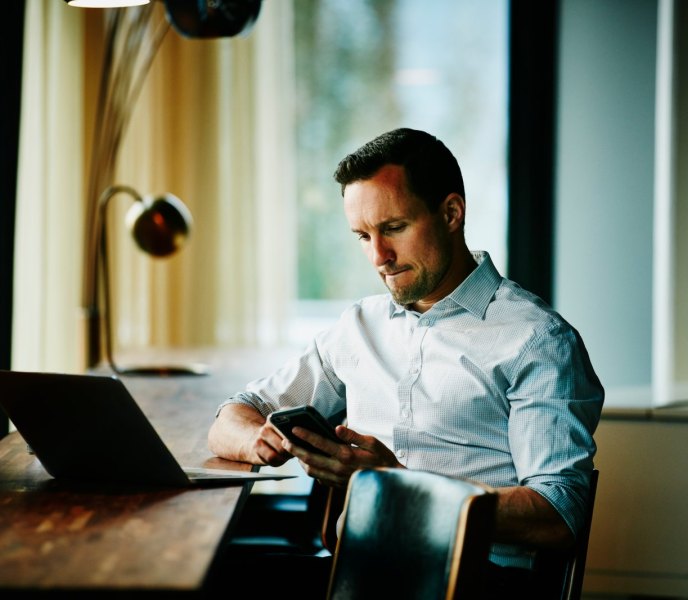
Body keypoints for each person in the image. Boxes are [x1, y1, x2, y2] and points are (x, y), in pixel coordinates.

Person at [206, 127, 604, 595]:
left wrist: (396, 486)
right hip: (355, 571)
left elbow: (559, 516)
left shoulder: (536, 339)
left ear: (451, 213)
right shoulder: (359, 326)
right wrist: (259, 439)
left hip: (479, 582)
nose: (379, 257)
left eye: (393, 228)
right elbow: (231, 415)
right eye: (362, 236)